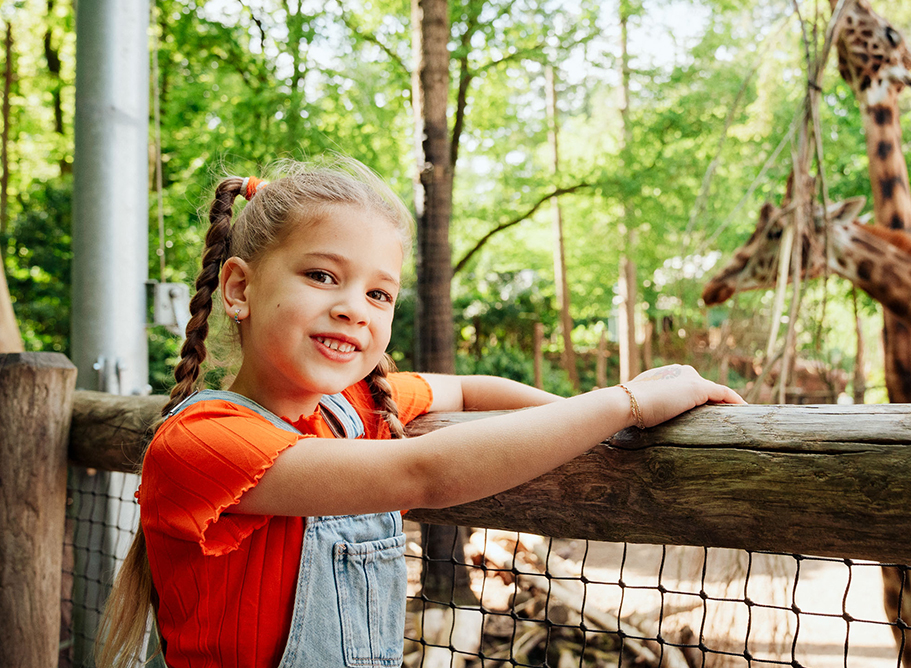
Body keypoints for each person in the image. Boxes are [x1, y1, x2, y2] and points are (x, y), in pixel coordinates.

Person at [97, 161, 743, 668]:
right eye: (322, 276)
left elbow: (469, 388)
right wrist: (625, 401)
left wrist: (611, 427)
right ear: (239, 288)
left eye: (379, 292)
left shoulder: (356, 409)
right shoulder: (202, 443)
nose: (356, 308)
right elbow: (422, 473)